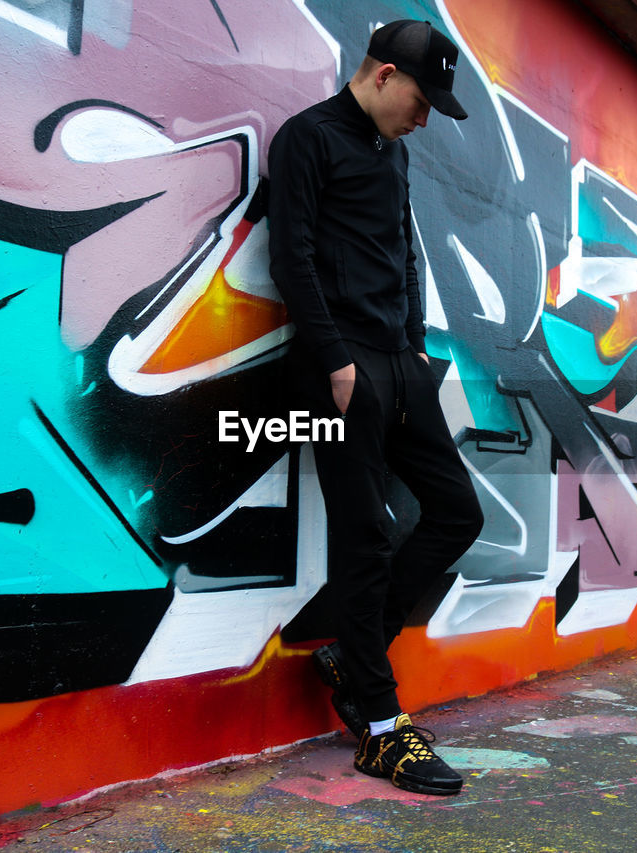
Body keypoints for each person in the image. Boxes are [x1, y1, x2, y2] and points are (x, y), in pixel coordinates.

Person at [267, 19, 484, 796]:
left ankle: (354, 657)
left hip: (401, 365)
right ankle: (382, 730)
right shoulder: (307, 138)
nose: (424, 119)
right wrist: (334, 360)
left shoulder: (393, 154)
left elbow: (406, 247)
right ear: (385, 75)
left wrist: (418, 346)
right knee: (364, 537)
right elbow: (290, 252)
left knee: (458, 513)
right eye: (422, 102)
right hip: (340, 371)